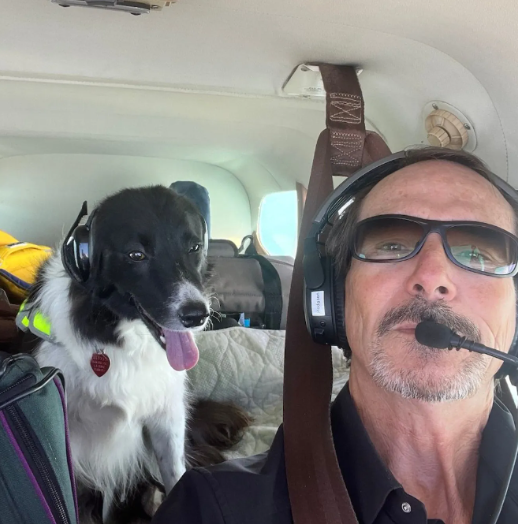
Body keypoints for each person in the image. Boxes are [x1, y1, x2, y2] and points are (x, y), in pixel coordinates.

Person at [152, 146, 518, 524]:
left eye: (477, 253)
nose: (432, 278)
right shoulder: (212, 510)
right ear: (331, 299)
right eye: (392, 246)